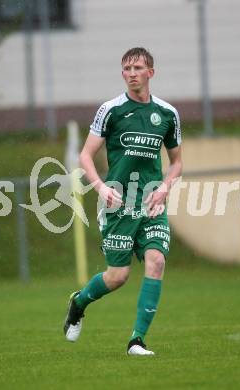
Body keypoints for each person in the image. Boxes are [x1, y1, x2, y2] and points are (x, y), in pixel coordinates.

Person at [64, 47, 182, 355]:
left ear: (150, 73)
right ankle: (78, 303)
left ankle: (137, 340)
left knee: (156, 262)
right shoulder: (111, 110)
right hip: (118, 204)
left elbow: (177, 162)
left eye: (137, 68)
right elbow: (85, 156)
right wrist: (101, 187)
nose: (131, 73)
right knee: (118, 276)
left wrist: (166, 186)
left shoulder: (167, 114)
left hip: (152, 204)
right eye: (126, 68)